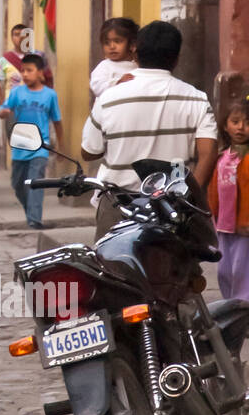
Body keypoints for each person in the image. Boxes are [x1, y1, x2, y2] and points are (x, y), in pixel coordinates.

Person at [81, 21, 219, 238]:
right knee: (179, 270)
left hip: (119, 205)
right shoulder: (197, 99)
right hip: (174, 206)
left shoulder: (109, 97)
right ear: (176, 58)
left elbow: (89, 151)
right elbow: (208, 153)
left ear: (135, 52)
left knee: (112, 269)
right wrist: (188, 197)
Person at [0, 53, 63, 229]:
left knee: (35, 183)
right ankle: (30, 211)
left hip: (40, 146)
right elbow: (4, 108)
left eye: (29, 70)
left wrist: (60, 146)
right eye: (23, 71)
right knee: (18, 184)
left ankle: (35, 220)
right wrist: (3, 112)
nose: (25, 74)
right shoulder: (16, 92)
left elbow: (57, 121)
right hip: (20, 146)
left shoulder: (50, 95)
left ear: (40, 72)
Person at [209, 101, 249, 300]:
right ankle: (230, 305)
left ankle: (242, 309)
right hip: (223, 225)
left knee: (242, 272)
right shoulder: (222, 157)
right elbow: (213, 192)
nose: (241, 127)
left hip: (245, 227)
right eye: (235, 121)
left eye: (247, 122)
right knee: (225, 271)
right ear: (225, 125)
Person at [90, 17, 138, 100]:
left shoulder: (137, 65)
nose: (112, 47)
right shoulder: (105, 66)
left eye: (117, 41)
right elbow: (97, 87)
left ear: (131, 44)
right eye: (107, 43)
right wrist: (118, 82)